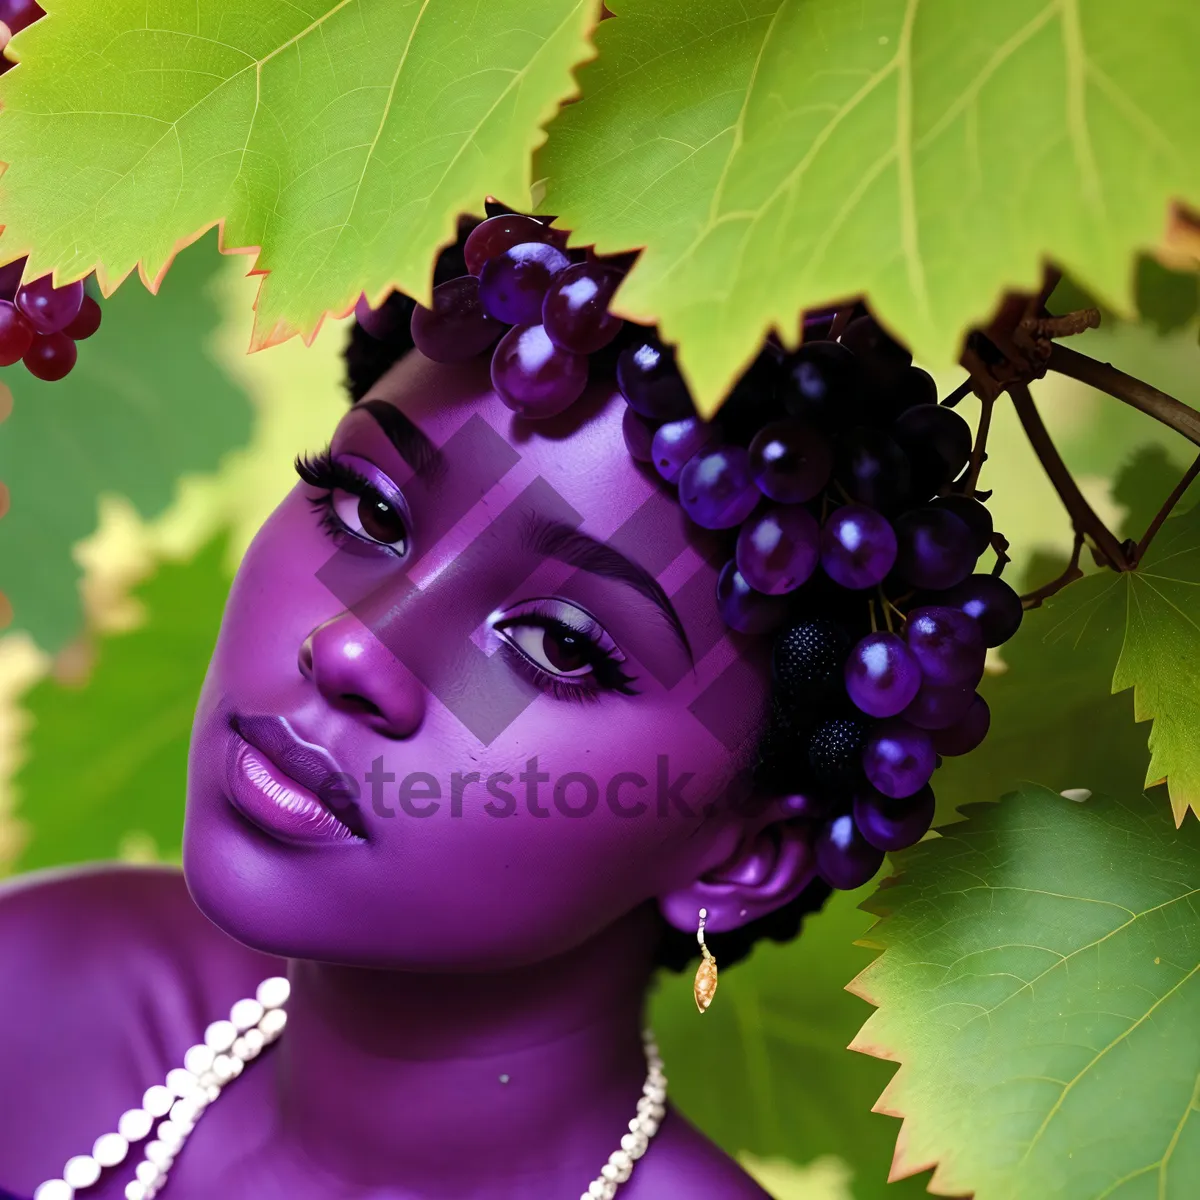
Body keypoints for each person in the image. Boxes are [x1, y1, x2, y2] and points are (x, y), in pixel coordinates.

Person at [0, 237, 834, 1199]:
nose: (354, 647)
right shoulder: (42, 994)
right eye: (368, 513)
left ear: (742, 861)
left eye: (556, 646)